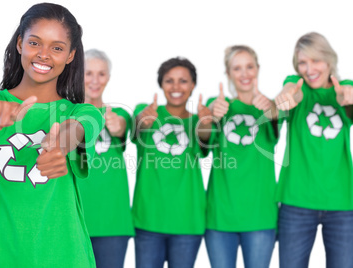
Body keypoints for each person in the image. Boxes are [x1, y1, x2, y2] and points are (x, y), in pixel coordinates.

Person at [0, 3, 104, 267]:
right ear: (20, 43)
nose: (44, 55)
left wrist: (61, 145)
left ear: (70, 55)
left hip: (62, 256)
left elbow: (81, 127)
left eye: (57, 48)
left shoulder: (84, 112)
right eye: (35, 43)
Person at [275, 32, 353, 268]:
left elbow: (351, 108)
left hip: (342, 204)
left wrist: (348, 101)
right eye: (302, 62)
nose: (309, 69)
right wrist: (287, 96)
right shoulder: (298, 86)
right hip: (296, 202)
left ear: (329, 61)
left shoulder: (345, 88)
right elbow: (291, 90)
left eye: (316, 60)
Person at [131, 57, 211, 268]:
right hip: (148, 219)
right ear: (161, 84)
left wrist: (206, 123)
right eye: (169, 80)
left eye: (183, 81)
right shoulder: (147, 112)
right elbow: (136, 129)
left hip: (187, 220)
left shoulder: (198, 121)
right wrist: (141, 121)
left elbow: (205, 141)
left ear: (193, 85)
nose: (176, 87)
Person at [205, 45, 278, 268]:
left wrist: (271, 108)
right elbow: (205, 133)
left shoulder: (270, 107)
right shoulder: (217, 106)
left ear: (258, 69)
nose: (244, 74)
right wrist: (212, 115)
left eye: (249, 67)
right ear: (228, 74)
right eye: (237, 68)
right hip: (220, 216)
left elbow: (276, 118)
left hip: (260, 216)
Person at [78, 49, 134, 268]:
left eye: (101, 74)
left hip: (113, 223)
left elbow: (122, 128)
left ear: (108, 78)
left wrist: (116, 126)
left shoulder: (119, 113)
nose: (95, 80)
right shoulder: (67, 115)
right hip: (74, 221)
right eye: (89, 73)